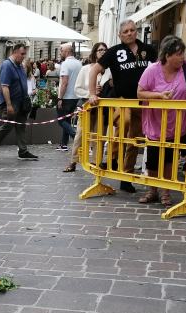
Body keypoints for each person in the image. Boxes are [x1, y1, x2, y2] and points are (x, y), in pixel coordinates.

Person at [88, 20, 157, 191]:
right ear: (120, 34)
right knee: (123, 123)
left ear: (136, 32)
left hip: (142, 101)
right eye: (125, 31)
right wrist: (92, 93)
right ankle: (112, 158)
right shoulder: (114, 52)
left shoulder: (147, 50)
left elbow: (161, 68)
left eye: (132, 30)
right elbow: (94, 70)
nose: (129, 33)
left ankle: (126, 176)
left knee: (134, 139)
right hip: (122, 99)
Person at [136, 35, 186, 206]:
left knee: (171, 158)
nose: (182, 58)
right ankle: (152, 190)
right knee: (154, 158)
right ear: (167, 55)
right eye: (178, 54)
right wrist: (158, 95)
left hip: (178, 123)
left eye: (183, 54)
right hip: (156, 122)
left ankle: (166, 192)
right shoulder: (152, 70)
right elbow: (140, 92)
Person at [64, 42, 108, 173]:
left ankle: (96, 162)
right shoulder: (86, 69)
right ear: (94, 52)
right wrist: (91, 93)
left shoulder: (109, 70)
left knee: (99, 135)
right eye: (100, 50)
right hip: (88, 107)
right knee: (80, 134)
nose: (103, 52)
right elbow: (77, 89)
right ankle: (73, 162)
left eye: (105, 50)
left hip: (102, 108)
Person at [0, 44, 38, 161]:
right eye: (22, 54)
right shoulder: (7, 65)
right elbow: (5, 86)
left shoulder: (20, 66)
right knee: (8, 125)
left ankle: (23, 151)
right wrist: (8, 104)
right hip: (12, 102)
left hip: (22, 102)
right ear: (15, 52)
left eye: (24, 54)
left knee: (21, 126)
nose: (24, 56)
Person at [56, 43, 81, 152]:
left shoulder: (65, 64)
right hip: (76, 96)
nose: (60, 53)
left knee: (61, 120)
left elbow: (64, 83)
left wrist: (60, 98)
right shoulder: (79, 63)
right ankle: (64, 144)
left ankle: (74, 134)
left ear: (67, 52)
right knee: (66, 119)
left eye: (61, 51)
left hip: (66, 97)